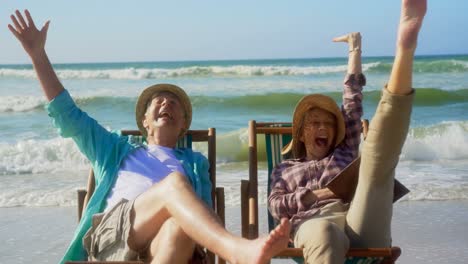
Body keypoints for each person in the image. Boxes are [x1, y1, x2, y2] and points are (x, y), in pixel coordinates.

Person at [8, 10, 291, 264]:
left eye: (174, 103)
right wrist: (37, 55)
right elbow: (66, 113)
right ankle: (237, 252)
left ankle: (234, 252)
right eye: (159, 101)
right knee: (174, 185)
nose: (166, 104)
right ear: (144, 121)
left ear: (183, 126)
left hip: (160, 247)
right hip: (114, 236)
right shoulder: (115, 148)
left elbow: (203, 212)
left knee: (180, 228)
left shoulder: (195, 162)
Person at [268, 0, 427, 263]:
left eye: (329, 123)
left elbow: (352, 103)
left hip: (358, 219)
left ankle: (405, 52)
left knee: (376, 162)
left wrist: (355, 50)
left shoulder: (343, 150)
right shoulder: (284, 169)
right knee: (324, 231)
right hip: (313, 224)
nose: (323, 127)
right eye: (314, 122)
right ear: (300, 133)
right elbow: (275, 205)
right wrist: (317, 195)